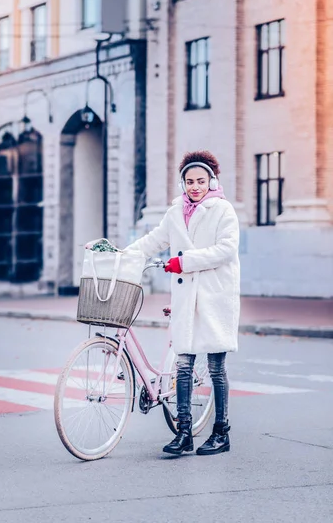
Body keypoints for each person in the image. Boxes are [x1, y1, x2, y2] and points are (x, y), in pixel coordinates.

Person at [124, 150, 240, 456]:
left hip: (215, 294)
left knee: (216, 366)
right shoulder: (175, 212)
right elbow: (152, 241)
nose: (195, 187)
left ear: (212, 180)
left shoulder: (223, 210)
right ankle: (184, 432)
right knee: (183, 364)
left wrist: (183, 261)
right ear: (182, 183)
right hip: (187, 296)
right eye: (189, 181)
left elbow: (226, 250)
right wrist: (119, 254)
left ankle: (222, 432)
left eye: (201, 180)